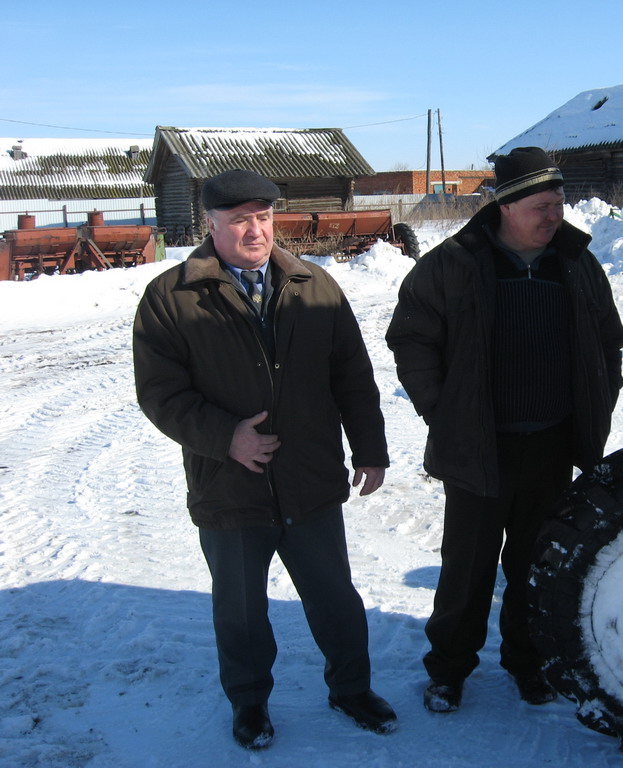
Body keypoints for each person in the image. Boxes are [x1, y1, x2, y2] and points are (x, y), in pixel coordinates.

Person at [133, 169, 397, 750]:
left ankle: (351, 688)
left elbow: (352, 376)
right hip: (230, 484)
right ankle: (249, 703)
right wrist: (228, 437)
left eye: (264, 217)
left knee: (334, 598)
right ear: (212, 224)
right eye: (240, 220)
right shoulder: (171, 297)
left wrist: (371, 448)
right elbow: (160, 394)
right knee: (242, 611)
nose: (256, 230)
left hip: (311, 478)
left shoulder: (315, 285)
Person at [386, 146, 623, 713]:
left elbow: (608, 339)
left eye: (559, 203)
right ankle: (448, 669)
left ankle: (530, 661)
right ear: (507, 207)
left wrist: (597, 399)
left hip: (551, 443)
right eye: (542, 205)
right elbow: (412, 338)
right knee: (467, 570)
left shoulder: (575, 261)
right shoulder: (455, 263)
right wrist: (444, 411)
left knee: (535, 566)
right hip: (479, 446)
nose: (555, 216)